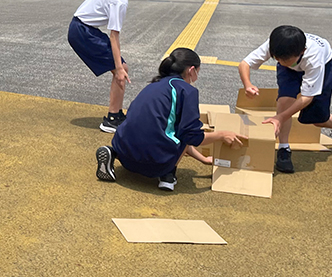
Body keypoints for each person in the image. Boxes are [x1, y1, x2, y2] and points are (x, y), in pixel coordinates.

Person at [95, 48, 242, 191]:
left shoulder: (154, 85)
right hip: (154, 164)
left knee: (163, 127)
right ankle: (167, 175)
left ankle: (111, 153)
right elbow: (191, 136)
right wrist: (221, 135)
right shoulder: (187, 91)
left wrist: (202, 159)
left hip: (123, 153)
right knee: (184, 130)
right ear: (191, 70)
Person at [69, 0, 160, 133]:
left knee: (121, 68)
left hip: (83, 28)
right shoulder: (120, 1)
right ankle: (112, 118)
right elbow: (114, 36)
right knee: (122, 69)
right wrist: (118, 67)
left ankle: (115, 114)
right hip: (82, 32)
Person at [239, 26, 332, 174]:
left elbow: (307, 97)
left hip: (324, 64)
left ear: (302, 51)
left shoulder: (314, 58)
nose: (281, 62)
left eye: (286, 60)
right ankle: (284, 148)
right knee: (284, 101)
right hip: (293, 68)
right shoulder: (277, 45)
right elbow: (244, 64)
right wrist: (248, 85)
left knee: (318, 119)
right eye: (277, 59)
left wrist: (280, 117)